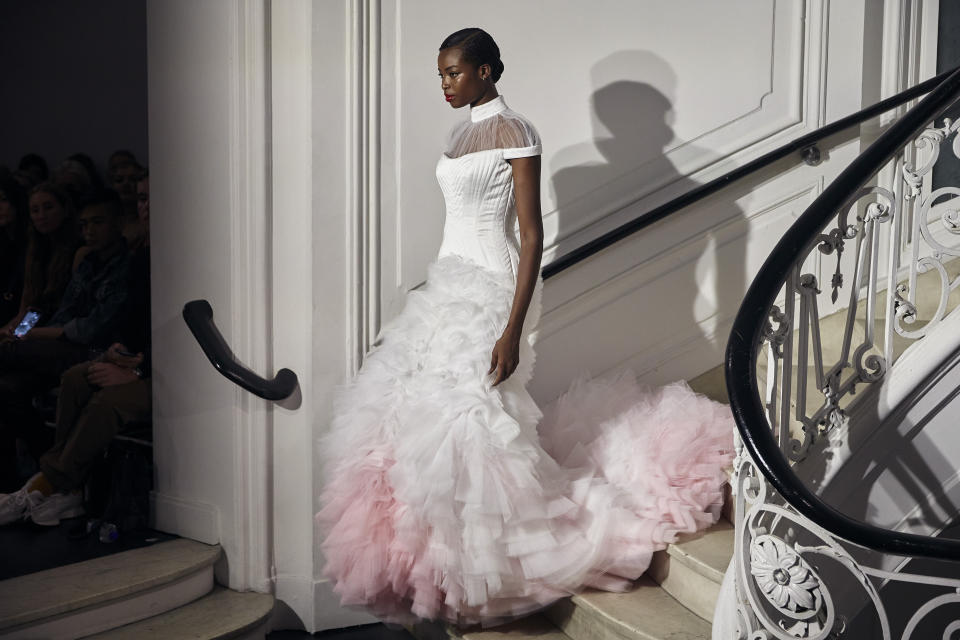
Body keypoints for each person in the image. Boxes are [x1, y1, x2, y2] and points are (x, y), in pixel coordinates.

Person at [315, 28, 735, 628]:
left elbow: (531, 235)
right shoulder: (461, 134)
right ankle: (454, 566)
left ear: (485, 71)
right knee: (412, 420)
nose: (445, 85)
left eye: (454, 73)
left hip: (495, 286)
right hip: (451, 282)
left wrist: (512, 330)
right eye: (440, 75)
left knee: (471, 418)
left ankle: (506, 562)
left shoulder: (518, 131)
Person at [0, 176, 28, 326]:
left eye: (4, 200)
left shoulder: (33, 244)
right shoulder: (4, 242)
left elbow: (37, 303)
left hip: (25, 325)